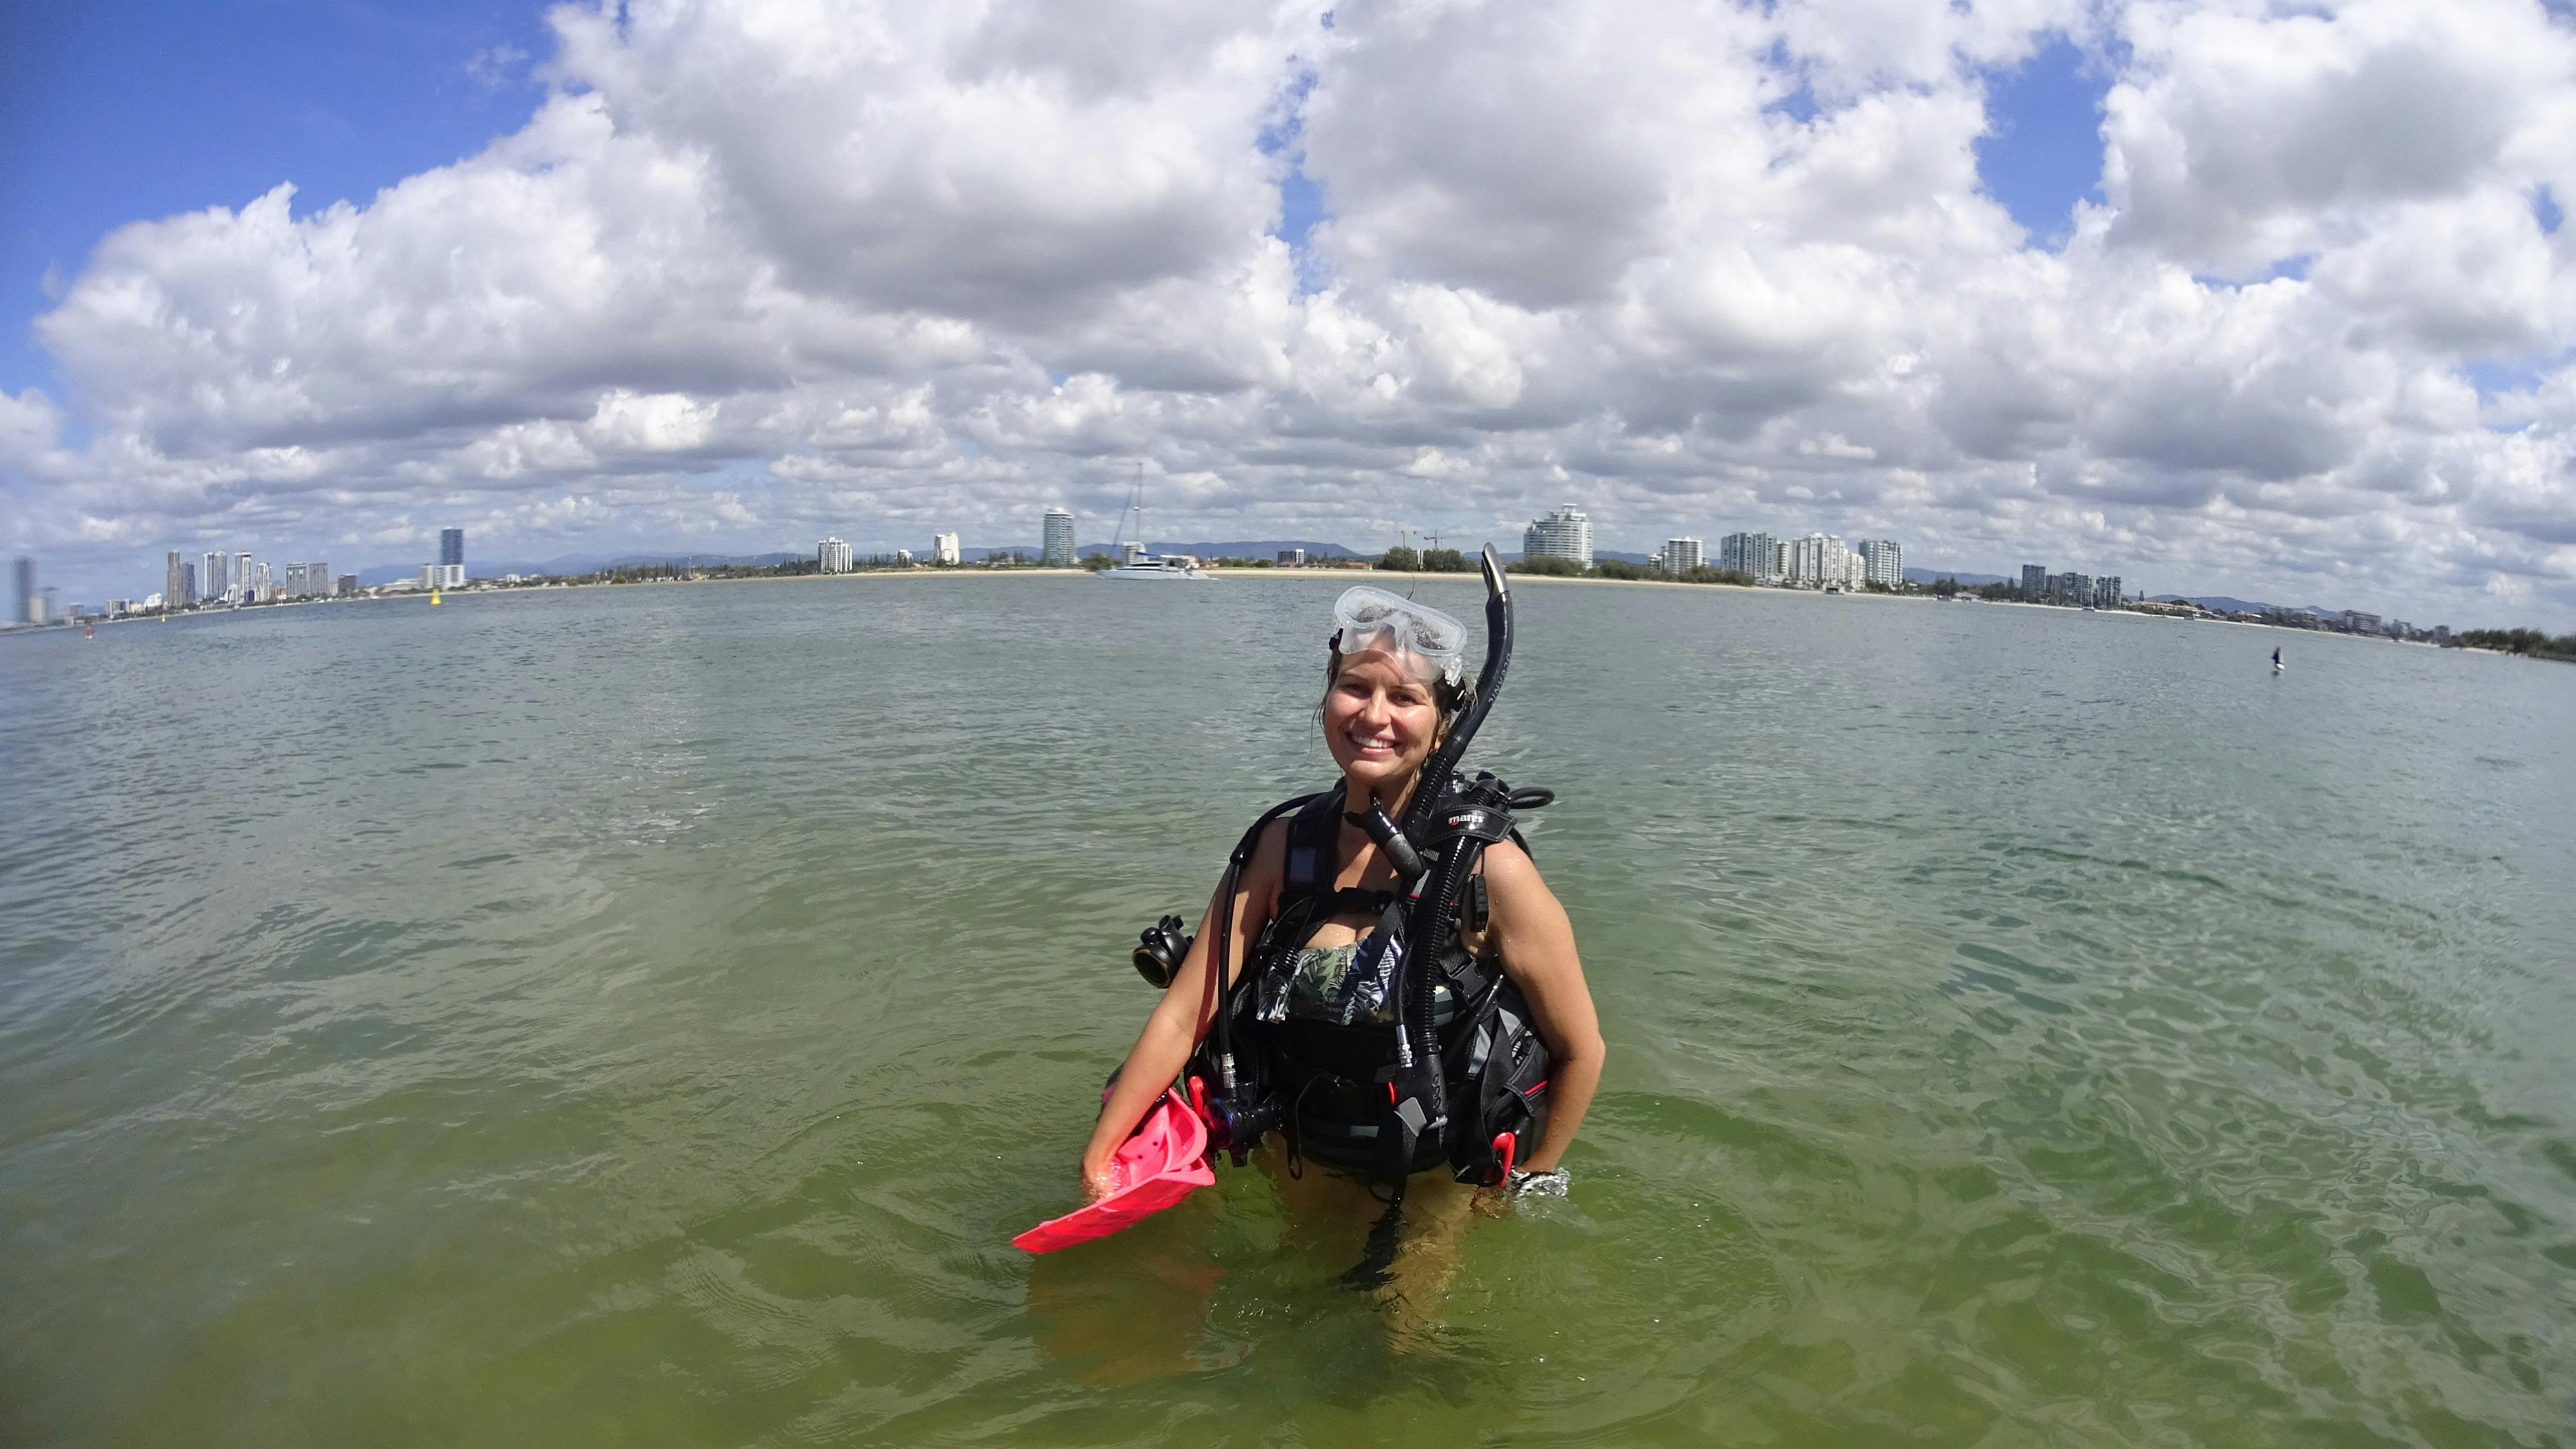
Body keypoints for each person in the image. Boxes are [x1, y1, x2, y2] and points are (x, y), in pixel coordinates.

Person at [1080, 585, 1605, 1323]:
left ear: (1444, 724)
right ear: (1327, 697)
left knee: (1399, 1341)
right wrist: (1102, 1153)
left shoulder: (1490, 872)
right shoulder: (1282, 847)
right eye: (1355, 688)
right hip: (1303, 1156)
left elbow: (1582, 1049)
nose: (1374, 715)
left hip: (1433, 1182)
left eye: (1406, 698)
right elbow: (1185, 1011)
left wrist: (1525, 1183)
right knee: (1292, 1315)